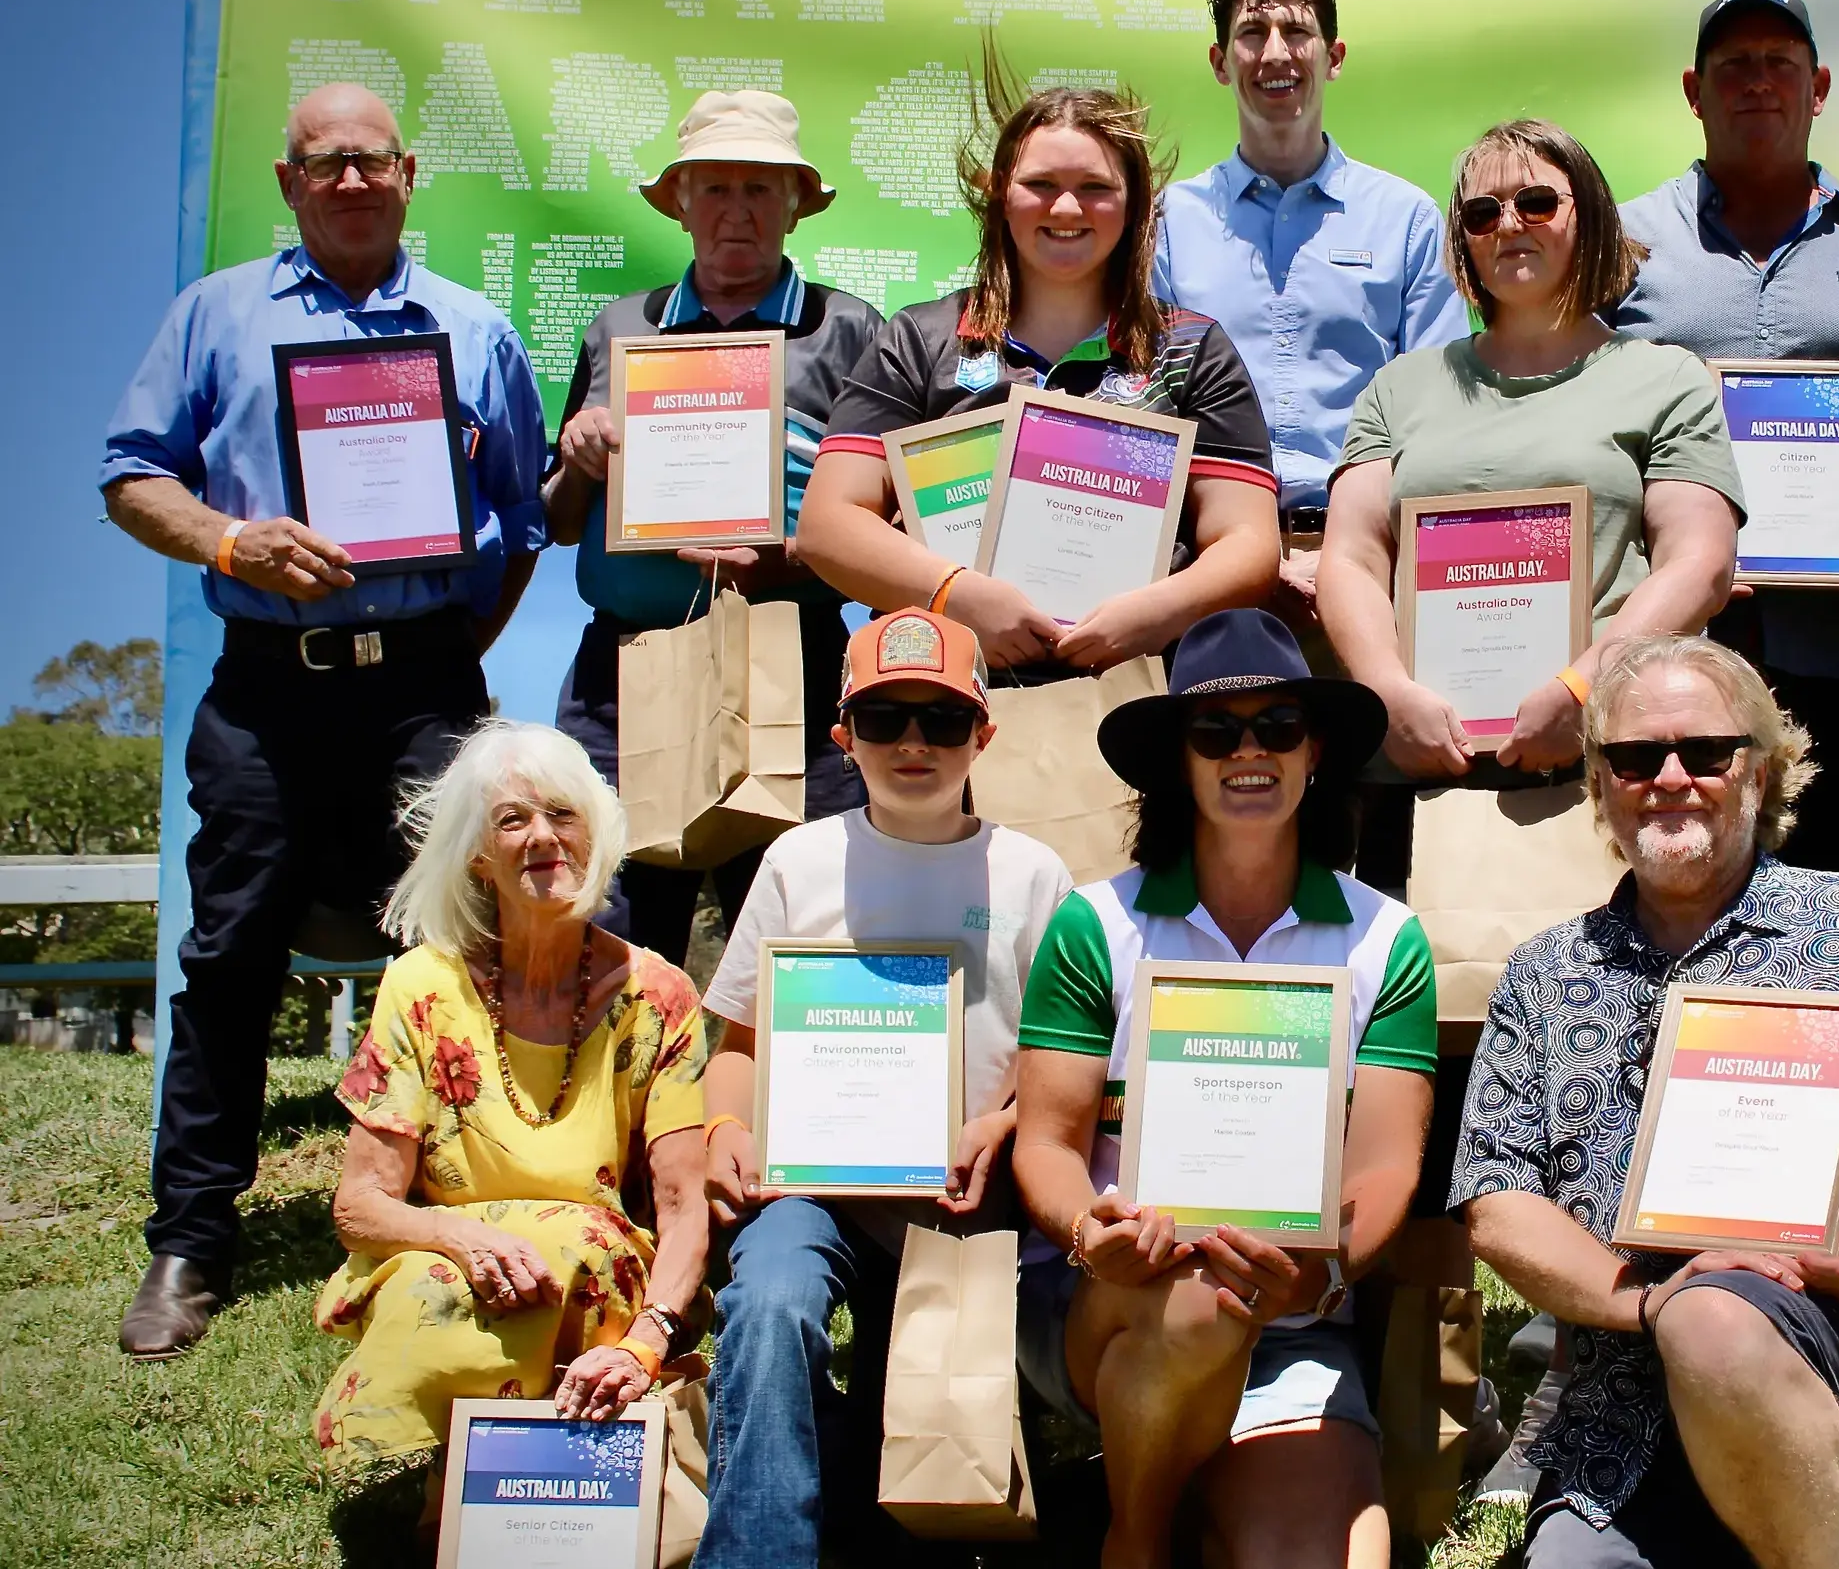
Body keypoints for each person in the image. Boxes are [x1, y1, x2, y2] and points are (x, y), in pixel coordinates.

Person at [101, 83, 549, 1358]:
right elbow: (132, 474)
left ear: (408, 174)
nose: (350, 180)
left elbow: (516, 522)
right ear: (291, 182)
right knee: (230, 949)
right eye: (323, 163)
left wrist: (449, 644)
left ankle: (474, 1194)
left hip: (421, 683)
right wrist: (231, 538)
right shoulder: (216, 314)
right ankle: (191, 1235)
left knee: (468, 939)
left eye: (370, 160)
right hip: (264, 685)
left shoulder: (473, 330)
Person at [1452, 634, 1839, 1569]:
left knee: (1717, 1319)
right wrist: (1643, 1303)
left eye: (1707, 752)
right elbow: (1497, 1203)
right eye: (1637, 757)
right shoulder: (1544, 976)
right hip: (1621, 1405)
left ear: (1763, 774)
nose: (1672, 777)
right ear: (1600, 785)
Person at [1012, 609, 1439, 1569]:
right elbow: (1046, 1142)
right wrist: (1093, 1235)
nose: (1250, 752)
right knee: (1199, 1299)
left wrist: (1324, 1273)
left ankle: (1201, 1490)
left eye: (1278, 728)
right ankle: (1141, 1535)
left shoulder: (1384, 941)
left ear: (1314, 749)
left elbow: (1382, 1169)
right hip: (1111, 1307)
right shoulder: (1095, 926)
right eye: (1215, 732)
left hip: (1293, 1320)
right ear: (1178, 759)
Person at [690, 608, 1073, 1568]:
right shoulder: (797, 860)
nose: (914, 743)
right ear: (842, 737)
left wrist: (1008, 1124)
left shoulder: (1033, 876)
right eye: (884, 719)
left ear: (984, 734)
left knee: (937, 1459)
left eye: (943, 721)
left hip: (973, 1204)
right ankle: (760, 1552)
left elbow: (1066, 1061)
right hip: (811, 1190)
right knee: (771, 1300)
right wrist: (726, 1124)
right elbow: (736, 1041)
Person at [1611, 0, 1839, 908]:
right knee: (1670, 914)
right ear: (1695, 89)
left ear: (1820, 87)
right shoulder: (1625, 246)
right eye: (1734, 65)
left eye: (1781, 63)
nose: (1757, 82)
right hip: (1673, 661)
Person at [543, 90, 885, 967]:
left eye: (763, 189)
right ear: (681, 202)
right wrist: (579, 459)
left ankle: (772, 1106)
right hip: (624, 669)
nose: (739, 210)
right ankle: (618, 1106)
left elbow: (886, 523)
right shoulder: (618, 328)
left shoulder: (853, 332)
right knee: (607, 928)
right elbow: (552, 522)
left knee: (801, 929)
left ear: (797, 204)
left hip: (792, 657)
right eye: (717, 188)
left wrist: (792, 557)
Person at [312, 721, 708, 1468]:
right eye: (512, 819)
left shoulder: (660, 995)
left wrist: (650, 1339)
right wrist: (463, 1238)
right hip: (447, 1258)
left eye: (563, 815)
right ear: (477, 855)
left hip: (591, 1271)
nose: (541, 838)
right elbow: (360, 1207)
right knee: (434, 1288)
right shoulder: (420, 986)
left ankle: (496, 1490)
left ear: (597, 841)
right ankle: (444, 1487)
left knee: (570, 1249)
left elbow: (685, 1207)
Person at [1319, 118, 1746, 792]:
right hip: (1420, 771)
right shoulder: (1396, 387)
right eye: (1482, 213)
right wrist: (1387, 697)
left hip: (1611, 768)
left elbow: (1700, 564)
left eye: (1537, 203)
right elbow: (1351, 559)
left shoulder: (1668, 378)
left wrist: (1583, 690)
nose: (1510, 224)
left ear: (1592, 215)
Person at [801, 79, 1281, 675]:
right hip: (946, 707)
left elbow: (1250, 546)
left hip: (1136, 694)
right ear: (1001, 194)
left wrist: (1152, 614)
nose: (1066, 209)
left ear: (1136, 204)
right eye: (1041, 185)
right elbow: (828, 523)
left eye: (1095, 188)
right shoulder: (920, 340)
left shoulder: (1191, 349)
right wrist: (956, 595)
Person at [1153, 0, 1469, 634]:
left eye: (1297, 32)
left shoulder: (1407, 219)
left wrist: (1345, 557)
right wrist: (1244, 560)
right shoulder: (1169, 222)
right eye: (1250, 34)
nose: (1276, 54)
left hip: (1371, 564)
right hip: (1202, 570)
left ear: (1334, 55)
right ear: (1218, 60)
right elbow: (1150, 415)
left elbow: (1437, 420)